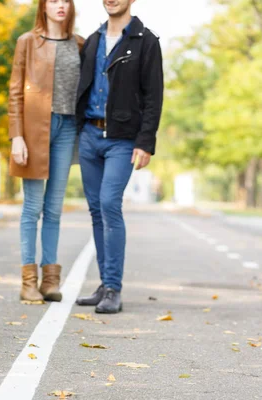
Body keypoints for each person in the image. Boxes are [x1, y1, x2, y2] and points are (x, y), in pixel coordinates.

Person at [75, 0, 163, 313]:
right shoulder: (93, 39)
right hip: (89, 136)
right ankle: (104, 284)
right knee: (97, 210)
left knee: (110, 204)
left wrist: (145, 141)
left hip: (122, 139)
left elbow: (154, 96)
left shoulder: (145, 40)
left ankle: (114, 287)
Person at [8, 0, 84, 303]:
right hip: (34, 128)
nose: (60, 5)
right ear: (43, 6)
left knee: (53, 209)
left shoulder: (80, 43)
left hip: (68, 128)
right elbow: (15, 91)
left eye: (65, 0)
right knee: (32, 207)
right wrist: (17, 136)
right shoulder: (27, 42)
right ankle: (28, 282)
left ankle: (50, 281)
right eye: (53, 0)